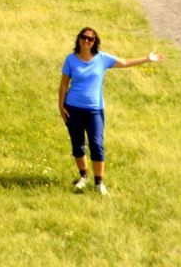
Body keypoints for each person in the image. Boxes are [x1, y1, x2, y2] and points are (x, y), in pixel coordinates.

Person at [57, 26, 163, 195]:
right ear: (79, 39)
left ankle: (99, 183)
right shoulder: (70, 60)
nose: (86, 41)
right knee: (77, 145)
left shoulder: (102, 58)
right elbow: (63, 85)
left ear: (94, 42)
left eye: (90, 39)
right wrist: (61, 106)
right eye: (83, 37)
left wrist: (147, 59)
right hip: (73, 108)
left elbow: (125, 62)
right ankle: (83, 177)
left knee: (96, 144)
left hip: (94, 111)